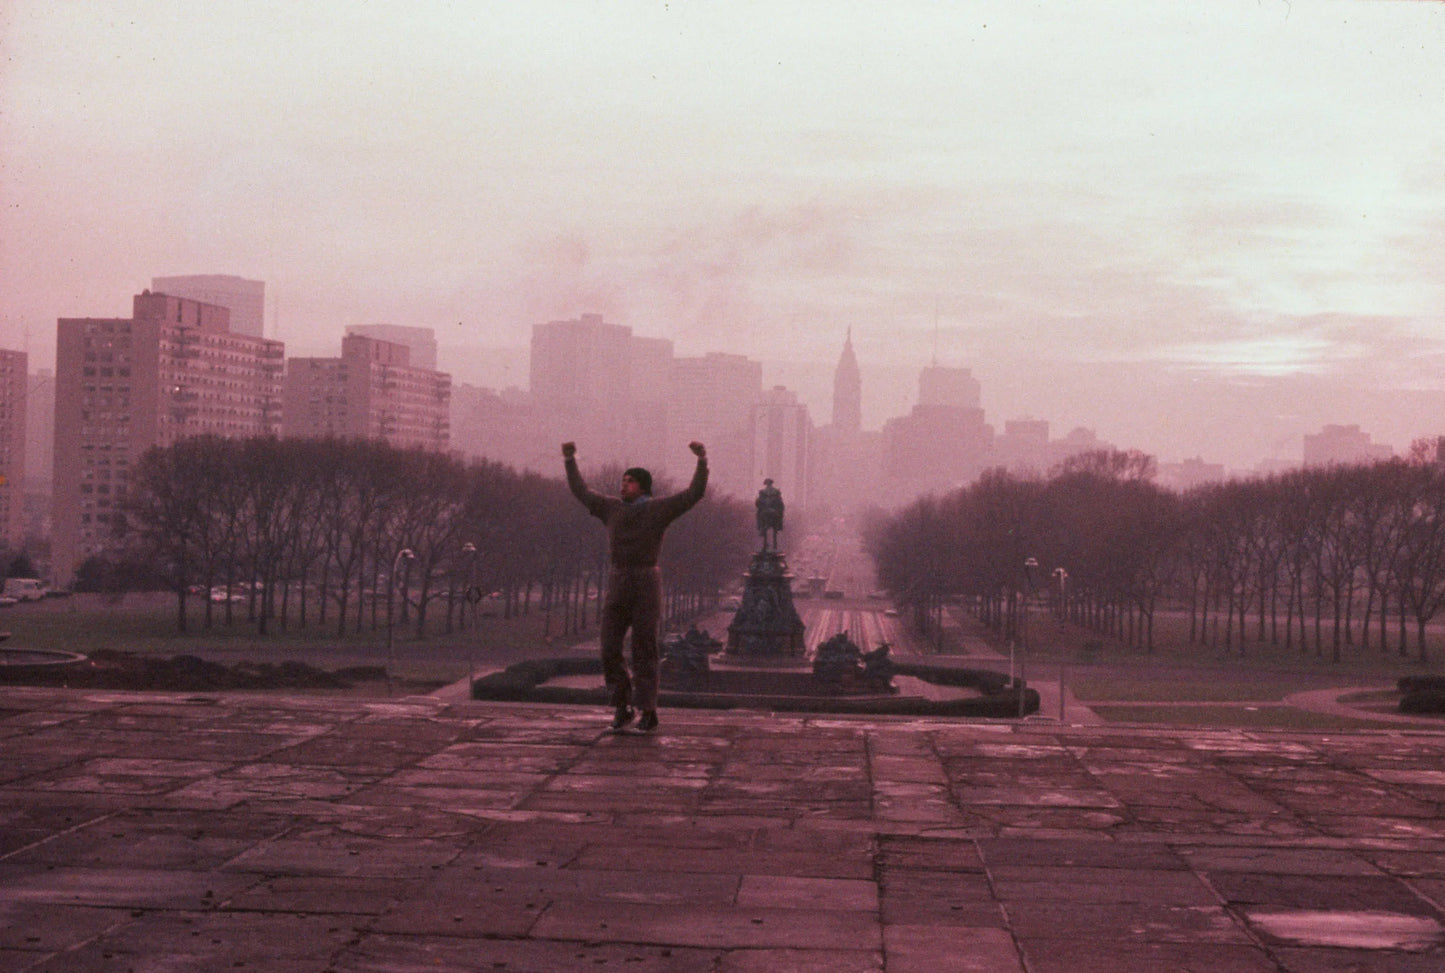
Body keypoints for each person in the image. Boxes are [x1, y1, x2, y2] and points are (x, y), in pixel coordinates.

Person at [563, 440, 708, 732]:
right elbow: (581, 491)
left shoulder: (658, 510)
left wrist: (702, 461)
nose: (623, 486)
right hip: (618, 581)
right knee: (608, 648)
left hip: (646, 582)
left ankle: (648, 709)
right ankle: (621, 705)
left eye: (629, 482)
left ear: (643, 487)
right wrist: (570, 459)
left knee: (645, 648)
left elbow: (694, 494)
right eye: (622, 481)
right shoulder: (611, 509)